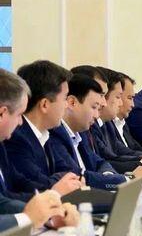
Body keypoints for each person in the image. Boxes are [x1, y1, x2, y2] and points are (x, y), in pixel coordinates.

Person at [48, 75, 142, 189]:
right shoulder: (55, 134)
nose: (97, 115)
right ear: (72, 102)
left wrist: (110, 176)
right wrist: (128, 179)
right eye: (94, 107)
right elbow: (78, 176)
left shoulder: (81, 132)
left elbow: (100, 162)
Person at [5, 61, 83, 195]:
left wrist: (64, 181)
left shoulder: (47, 133)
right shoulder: (16, 137)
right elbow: (36, 184)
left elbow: (71, 171)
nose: (66, 105)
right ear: (45, 105)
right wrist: (59, 185)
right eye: (64, 98)